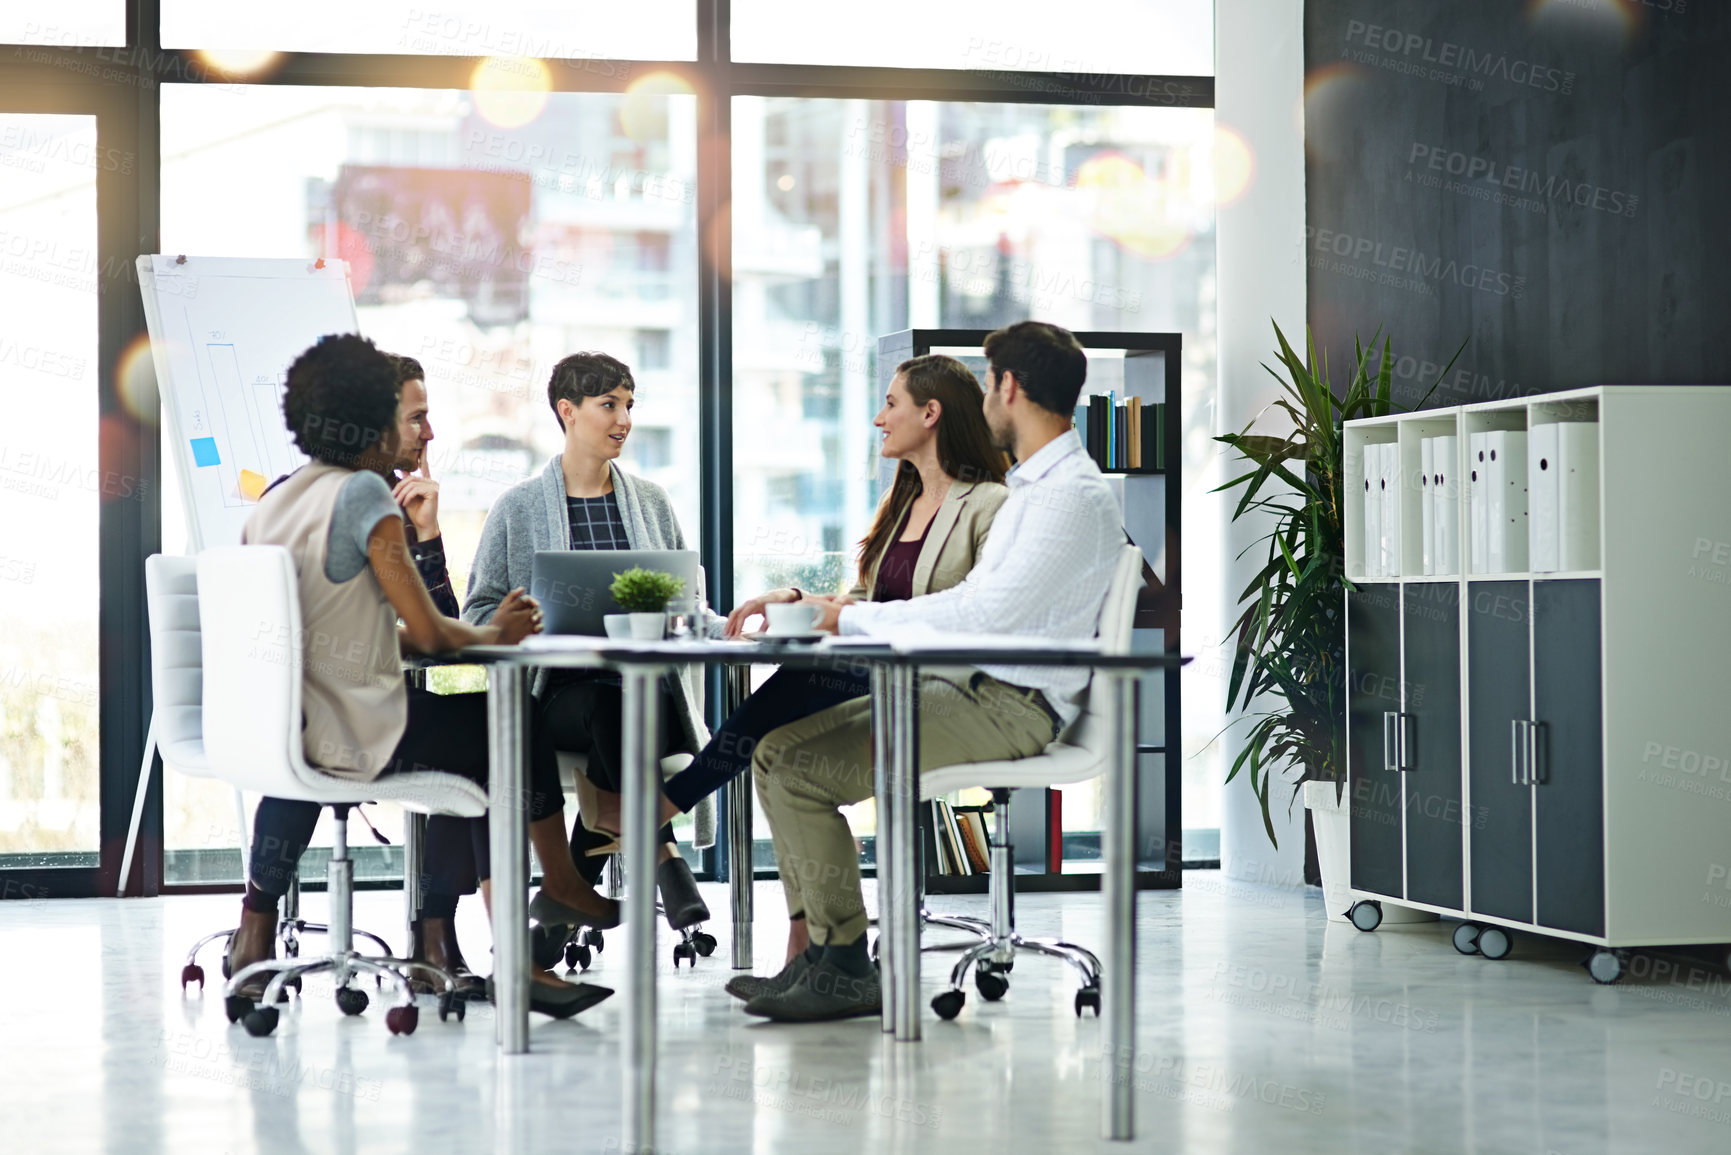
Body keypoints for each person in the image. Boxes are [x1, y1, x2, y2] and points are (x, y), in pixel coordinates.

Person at [227, 334, 619, 1020]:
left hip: (284, 725)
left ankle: (469, 936)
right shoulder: (362, 499)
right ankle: (537, 909)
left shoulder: (278, 502)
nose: (429, 432)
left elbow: (366, 627)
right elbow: (436, 633)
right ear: (369, 420)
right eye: (413, 417)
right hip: (353, 729)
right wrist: (496, 633)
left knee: (473, 731)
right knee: (505, 724)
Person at [741, 320, 1124, 1022]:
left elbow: (983, 613)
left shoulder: (1070, 496)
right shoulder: (1037, 489)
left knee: (797, 769)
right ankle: (824, 958)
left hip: (1009, 706)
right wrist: (843, 614)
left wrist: (848, 621)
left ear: (1008, 388)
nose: (983, 403)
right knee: (770, 750)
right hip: (965, 688)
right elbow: (967, 604)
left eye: (986, 386)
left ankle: (846, 963)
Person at [611, 354, 1011, 997]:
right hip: (879, 672)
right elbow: (865, 597)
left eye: (892, 404)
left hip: (935, 688)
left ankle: (668, 815)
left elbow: (970, 611)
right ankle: (806, 944)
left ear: (930, 415)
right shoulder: (904, 499)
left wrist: (836, 617)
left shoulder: (988, 505)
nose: (880, 419)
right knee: (776, 724)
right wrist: (795, 597)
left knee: (785, 711)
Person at [461, 351, 714, 935]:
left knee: (627, 705)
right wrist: (518, 618)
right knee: (609, 705)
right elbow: (478, 610)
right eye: (609, 405)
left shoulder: (651, 501)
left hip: (653, 695)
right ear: (568, 411)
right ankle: (661, 856)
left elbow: (688, 600)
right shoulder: (517, 507)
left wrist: (701, 619)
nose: (623, 418)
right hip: (562, 701)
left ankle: (565, 892)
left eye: (628, 405)